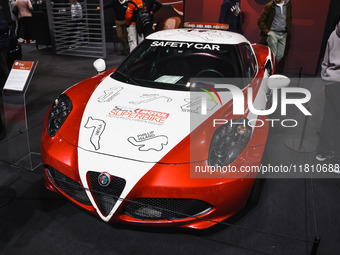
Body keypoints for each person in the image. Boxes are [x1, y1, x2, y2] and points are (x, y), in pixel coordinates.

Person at [315, 22, 340, 166]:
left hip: (331, 82)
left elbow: (325, 60)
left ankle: (322, 152)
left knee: (329, 118)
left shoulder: (334, 33)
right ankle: (338, 161)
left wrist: (325, 81)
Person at [0, 4, 10, 88]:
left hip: (1, 45)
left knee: (3, 68)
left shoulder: (0, 13)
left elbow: (4, 26)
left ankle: (7, 88)